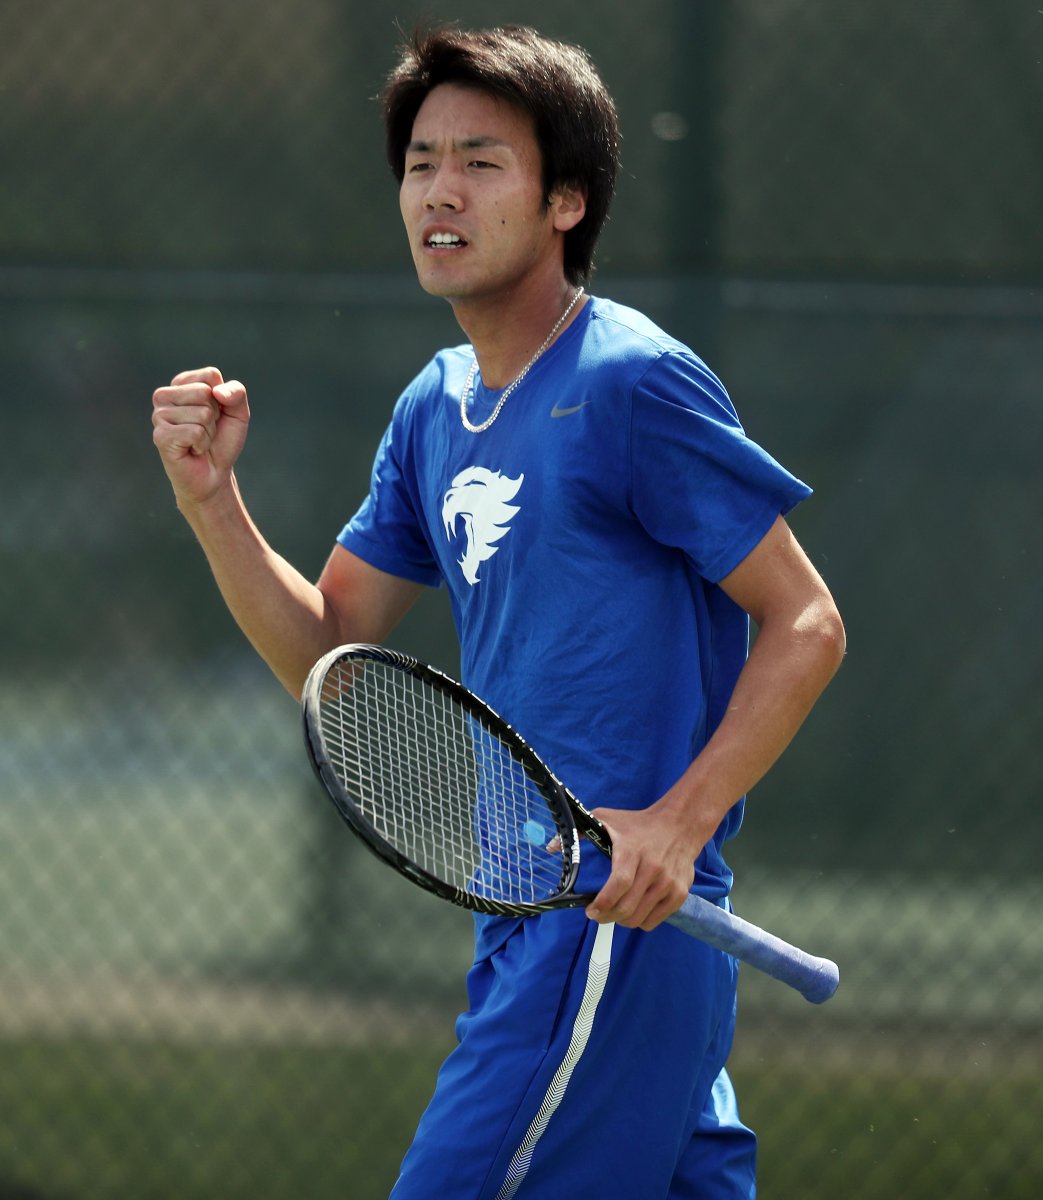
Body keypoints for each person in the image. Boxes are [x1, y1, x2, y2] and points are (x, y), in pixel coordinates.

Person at [152, 25, 845, 1200]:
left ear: (565, 199)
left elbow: (805, 621)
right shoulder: (433, 406)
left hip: (608, 929)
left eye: (481, 161)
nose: (439, 191)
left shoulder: (631, 382)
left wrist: (676, 825)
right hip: (534, 920)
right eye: (420, 162)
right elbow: (331, 653)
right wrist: (211, 500)